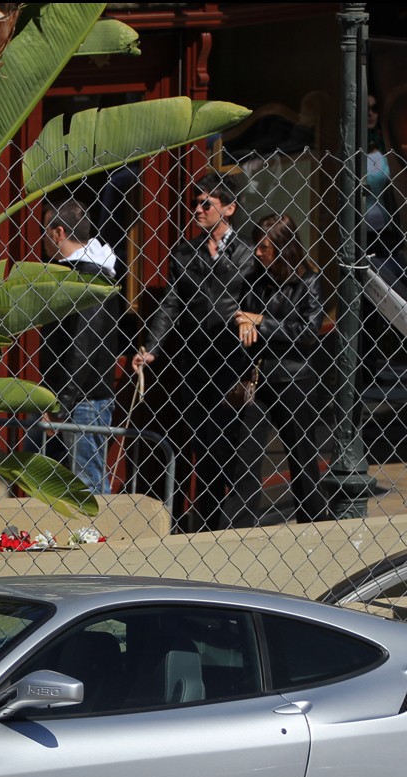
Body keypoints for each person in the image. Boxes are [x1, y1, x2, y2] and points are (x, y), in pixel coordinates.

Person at [134, 174, 257, 531]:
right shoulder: (185, 251)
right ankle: (201, 525)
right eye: (195, 202)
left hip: (234, 362)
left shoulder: (249, 253)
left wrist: (253, 321)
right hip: (195, 362)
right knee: (200, 444)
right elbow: (171, 303)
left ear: (229, 209)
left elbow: (257, 299)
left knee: (231, 445)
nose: (198, 209)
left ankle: (228, 525)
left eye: (207, 203)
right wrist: (152, 348)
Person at [235, 214, 327, 523]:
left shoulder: (309, 280)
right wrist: (244, 321)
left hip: (294, 380)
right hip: (259, 378)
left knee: (302, 459)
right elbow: (241, 314)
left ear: (283, 246)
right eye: (256, 246)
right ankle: (238, 527)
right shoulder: (255, 280)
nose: (258, 253)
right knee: (244, 458)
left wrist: (259, 321)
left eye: (264, 247)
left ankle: (312, 524)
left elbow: (306, 334)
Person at [38, 198, 121, 494]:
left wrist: (62, 402)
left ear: (58, 232)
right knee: (66, 484)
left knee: (88, 485)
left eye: (44, 230)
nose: (43, 239)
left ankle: (100, 540)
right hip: (77, 398)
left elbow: (83, 347)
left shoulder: (87, 276)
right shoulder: (83, 273)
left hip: (83, 401)